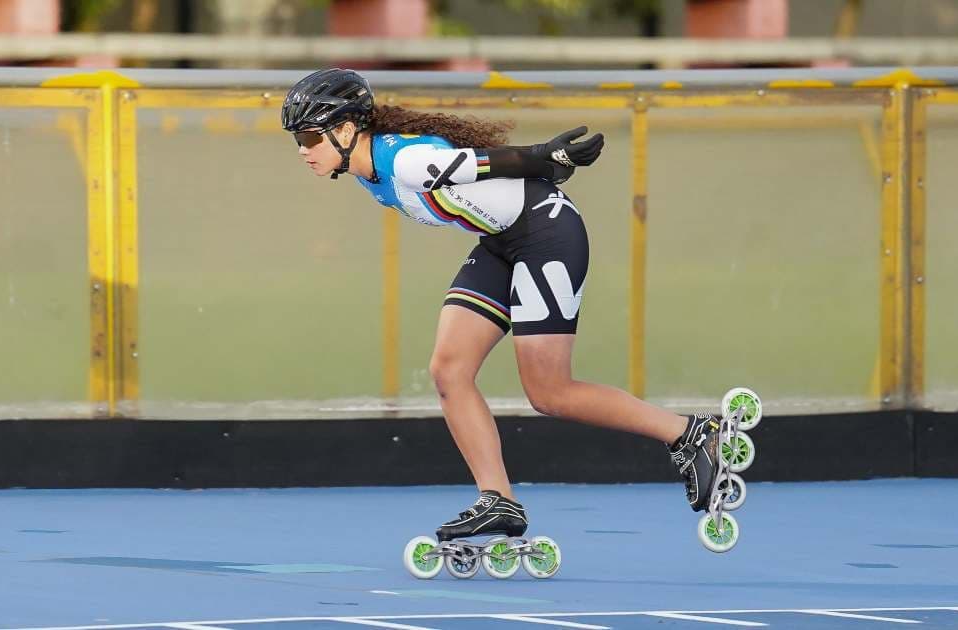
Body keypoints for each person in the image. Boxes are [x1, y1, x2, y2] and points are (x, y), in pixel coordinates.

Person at [282, 68, 724, 543]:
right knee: (449, 370)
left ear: (347, 129)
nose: (304, 151)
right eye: (298, 141)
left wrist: (545, 158)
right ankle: (498, 501)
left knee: (550, 391)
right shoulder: (367, 170)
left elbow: (485, 164)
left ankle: (690, 433)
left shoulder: (406, 162)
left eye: (309, 137)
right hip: (499, 241)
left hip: (544, 235)